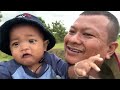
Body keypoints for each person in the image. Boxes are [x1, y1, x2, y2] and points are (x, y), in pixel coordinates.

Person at [64, 11, 120, 79]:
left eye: (88, 34)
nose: (72, 39)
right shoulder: (50, 63)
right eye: (72, 31)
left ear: (110, 49)